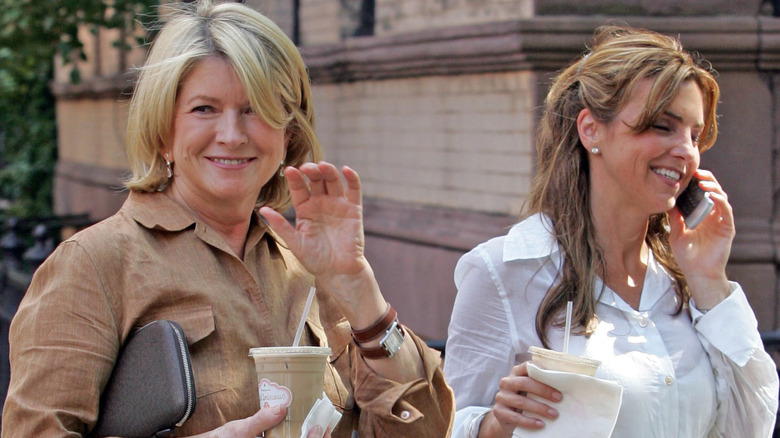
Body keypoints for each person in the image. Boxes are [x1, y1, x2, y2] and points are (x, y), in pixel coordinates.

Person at [1, 1, 454, 437]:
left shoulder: (310, 265)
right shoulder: (94, 265)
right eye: (205, 109)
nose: (232, 135)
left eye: (256, 109)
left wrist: (358, 289)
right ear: (164, 131)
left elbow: (426, 431)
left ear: (288, 132)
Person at [444, 24, 779, 438]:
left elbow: (752, 427)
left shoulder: (685, 283)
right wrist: (494, 425)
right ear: (591, 130)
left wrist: (710, 280)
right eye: (662, 126)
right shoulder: (504, 271)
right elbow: (446, 425)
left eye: (694, 134)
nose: (686, 151)